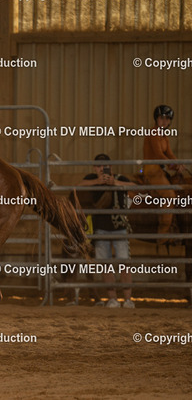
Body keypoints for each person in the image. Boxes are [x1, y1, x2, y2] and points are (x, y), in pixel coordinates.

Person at [78, 154, 136, 308]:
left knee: (124, 265)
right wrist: (97, 182)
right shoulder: (92, 179)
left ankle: (128, 299)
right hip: (101, 229)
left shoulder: (119, 178)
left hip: (119, 228)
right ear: (94, 168)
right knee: (105, 266)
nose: (102, 169)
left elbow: (135, 187)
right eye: (99, 166)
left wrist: (115, 183)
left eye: (105, 166)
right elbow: (79, 185)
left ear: (111, 167)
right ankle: (113, 299)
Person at [143, 105, 183, 240]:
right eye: (162, 118)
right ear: (156, 119)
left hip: (159, 169)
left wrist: (178, 163)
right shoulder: (153, 133)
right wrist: (173, 166)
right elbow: (159, 155)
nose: (165, 121)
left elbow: (169, 154)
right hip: (151, 170)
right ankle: (163, 235)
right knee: (169, 195)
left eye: (168, 118)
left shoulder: (164, 136)